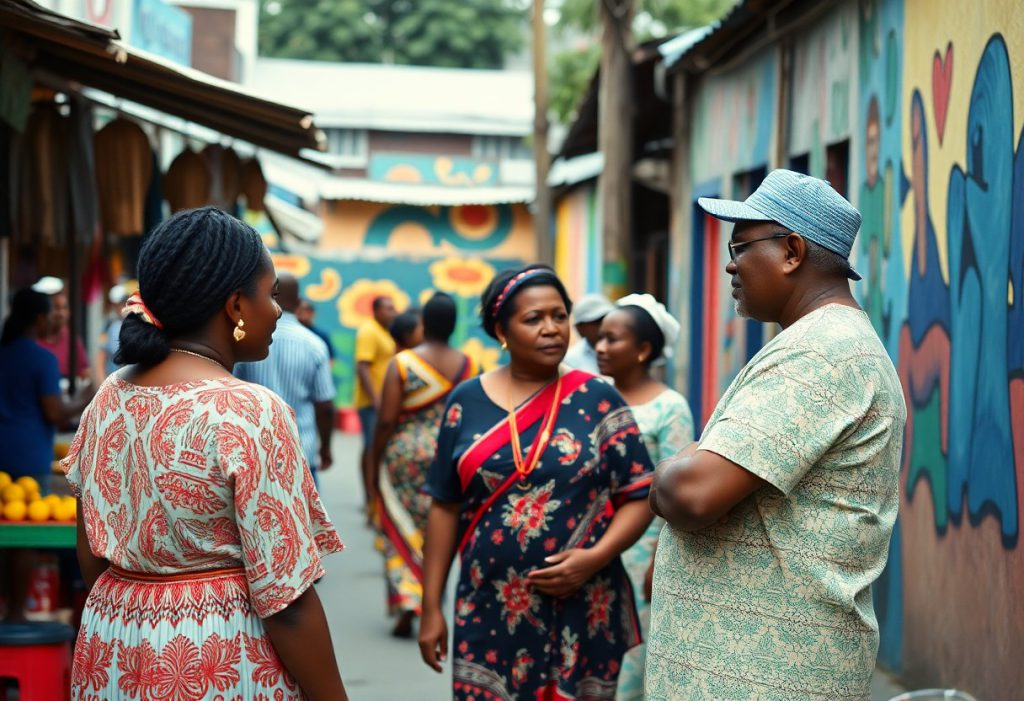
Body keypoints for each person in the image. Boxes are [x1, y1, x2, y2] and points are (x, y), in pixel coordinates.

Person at [59, 207, 348, 700]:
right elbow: (287, 601)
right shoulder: (250, 412)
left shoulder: (110, 395)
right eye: (271, 294)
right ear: (236, 306)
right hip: (217, 657)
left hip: (112, 650)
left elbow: (91, 549)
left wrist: (139, 606)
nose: (278, 310)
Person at [645, 170, 906, 700]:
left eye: (741, 246)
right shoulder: (820, 343)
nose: (729, 263)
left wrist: (670, 469)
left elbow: (689, 493)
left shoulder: (820, 352)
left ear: (791, 251)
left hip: (764, 677)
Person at [418, 264, 656, 701]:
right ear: (500, 330)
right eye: (533, 319)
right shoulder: (464, 401)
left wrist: (594, 557)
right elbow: (445, 505)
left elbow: (640, 495)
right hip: (489, 606)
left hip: (586, 606)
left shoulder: (598, 398)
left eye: (559, 315)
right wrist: (430, 604)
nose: (551, 329)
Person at [594, 293, 693, 701]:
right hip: (593, 549)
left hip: (643, 557)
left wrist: (658, 563)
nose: (599, 347)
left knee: (633, 663)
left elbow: (678, 493)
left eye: (612, 339)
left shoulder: (670, 408)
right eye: (598, 338)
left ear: (643, 350)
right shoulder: (594, 398)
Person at [369, 293, 476, 639]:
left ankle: (405, 601)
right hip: (451, 455)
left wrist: (374, 458)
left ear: (424, 324)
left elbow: (386, 420)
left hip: (405, 455)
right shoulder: (470, 365)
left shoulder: (402, 364)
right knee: (439, 532)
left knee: (400, 523)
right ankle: (433, 600)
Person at [0, 289, 91, 620]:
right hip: (27, 456)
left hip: (4, 452)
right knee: (24, 534)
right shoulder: (42, 360)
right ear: (39, 319)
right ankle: (14, 613)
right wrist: (84, 398)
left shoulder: (4, 352)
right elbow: (54, 412)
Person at [235, 273, 336, 483]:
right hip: (302, 452)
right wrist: (325, 447)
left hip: (255, 452)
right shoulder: (315, 345)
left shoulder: (247, 340)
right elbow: (325, 405)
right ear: (299, 303)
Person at [355, 295, 397, 510]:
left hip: (381, 401)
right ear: (376, 310)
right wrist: (376, 399)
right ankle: (371, 498)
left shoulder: (384, 331)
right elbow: (362, 366)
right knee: (372, 448)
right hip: (372, 403)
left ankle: (374, 497)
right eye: (388, 308)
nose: (393, 312)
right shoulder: (369, 332)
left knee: (373, 447)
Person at [33, 276, 90, 382]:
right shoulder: (31, 339)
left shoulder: (71, 339)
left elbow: (85, 371)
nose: (62, 314)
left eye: (65, 307)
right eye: (56, 308)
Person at [562, 292, 613, 374]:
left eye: (607, 318)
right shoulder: (570, 360)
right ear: (580, 328)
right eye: (597, 321)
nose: (604, 325)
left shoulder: (623, 351)